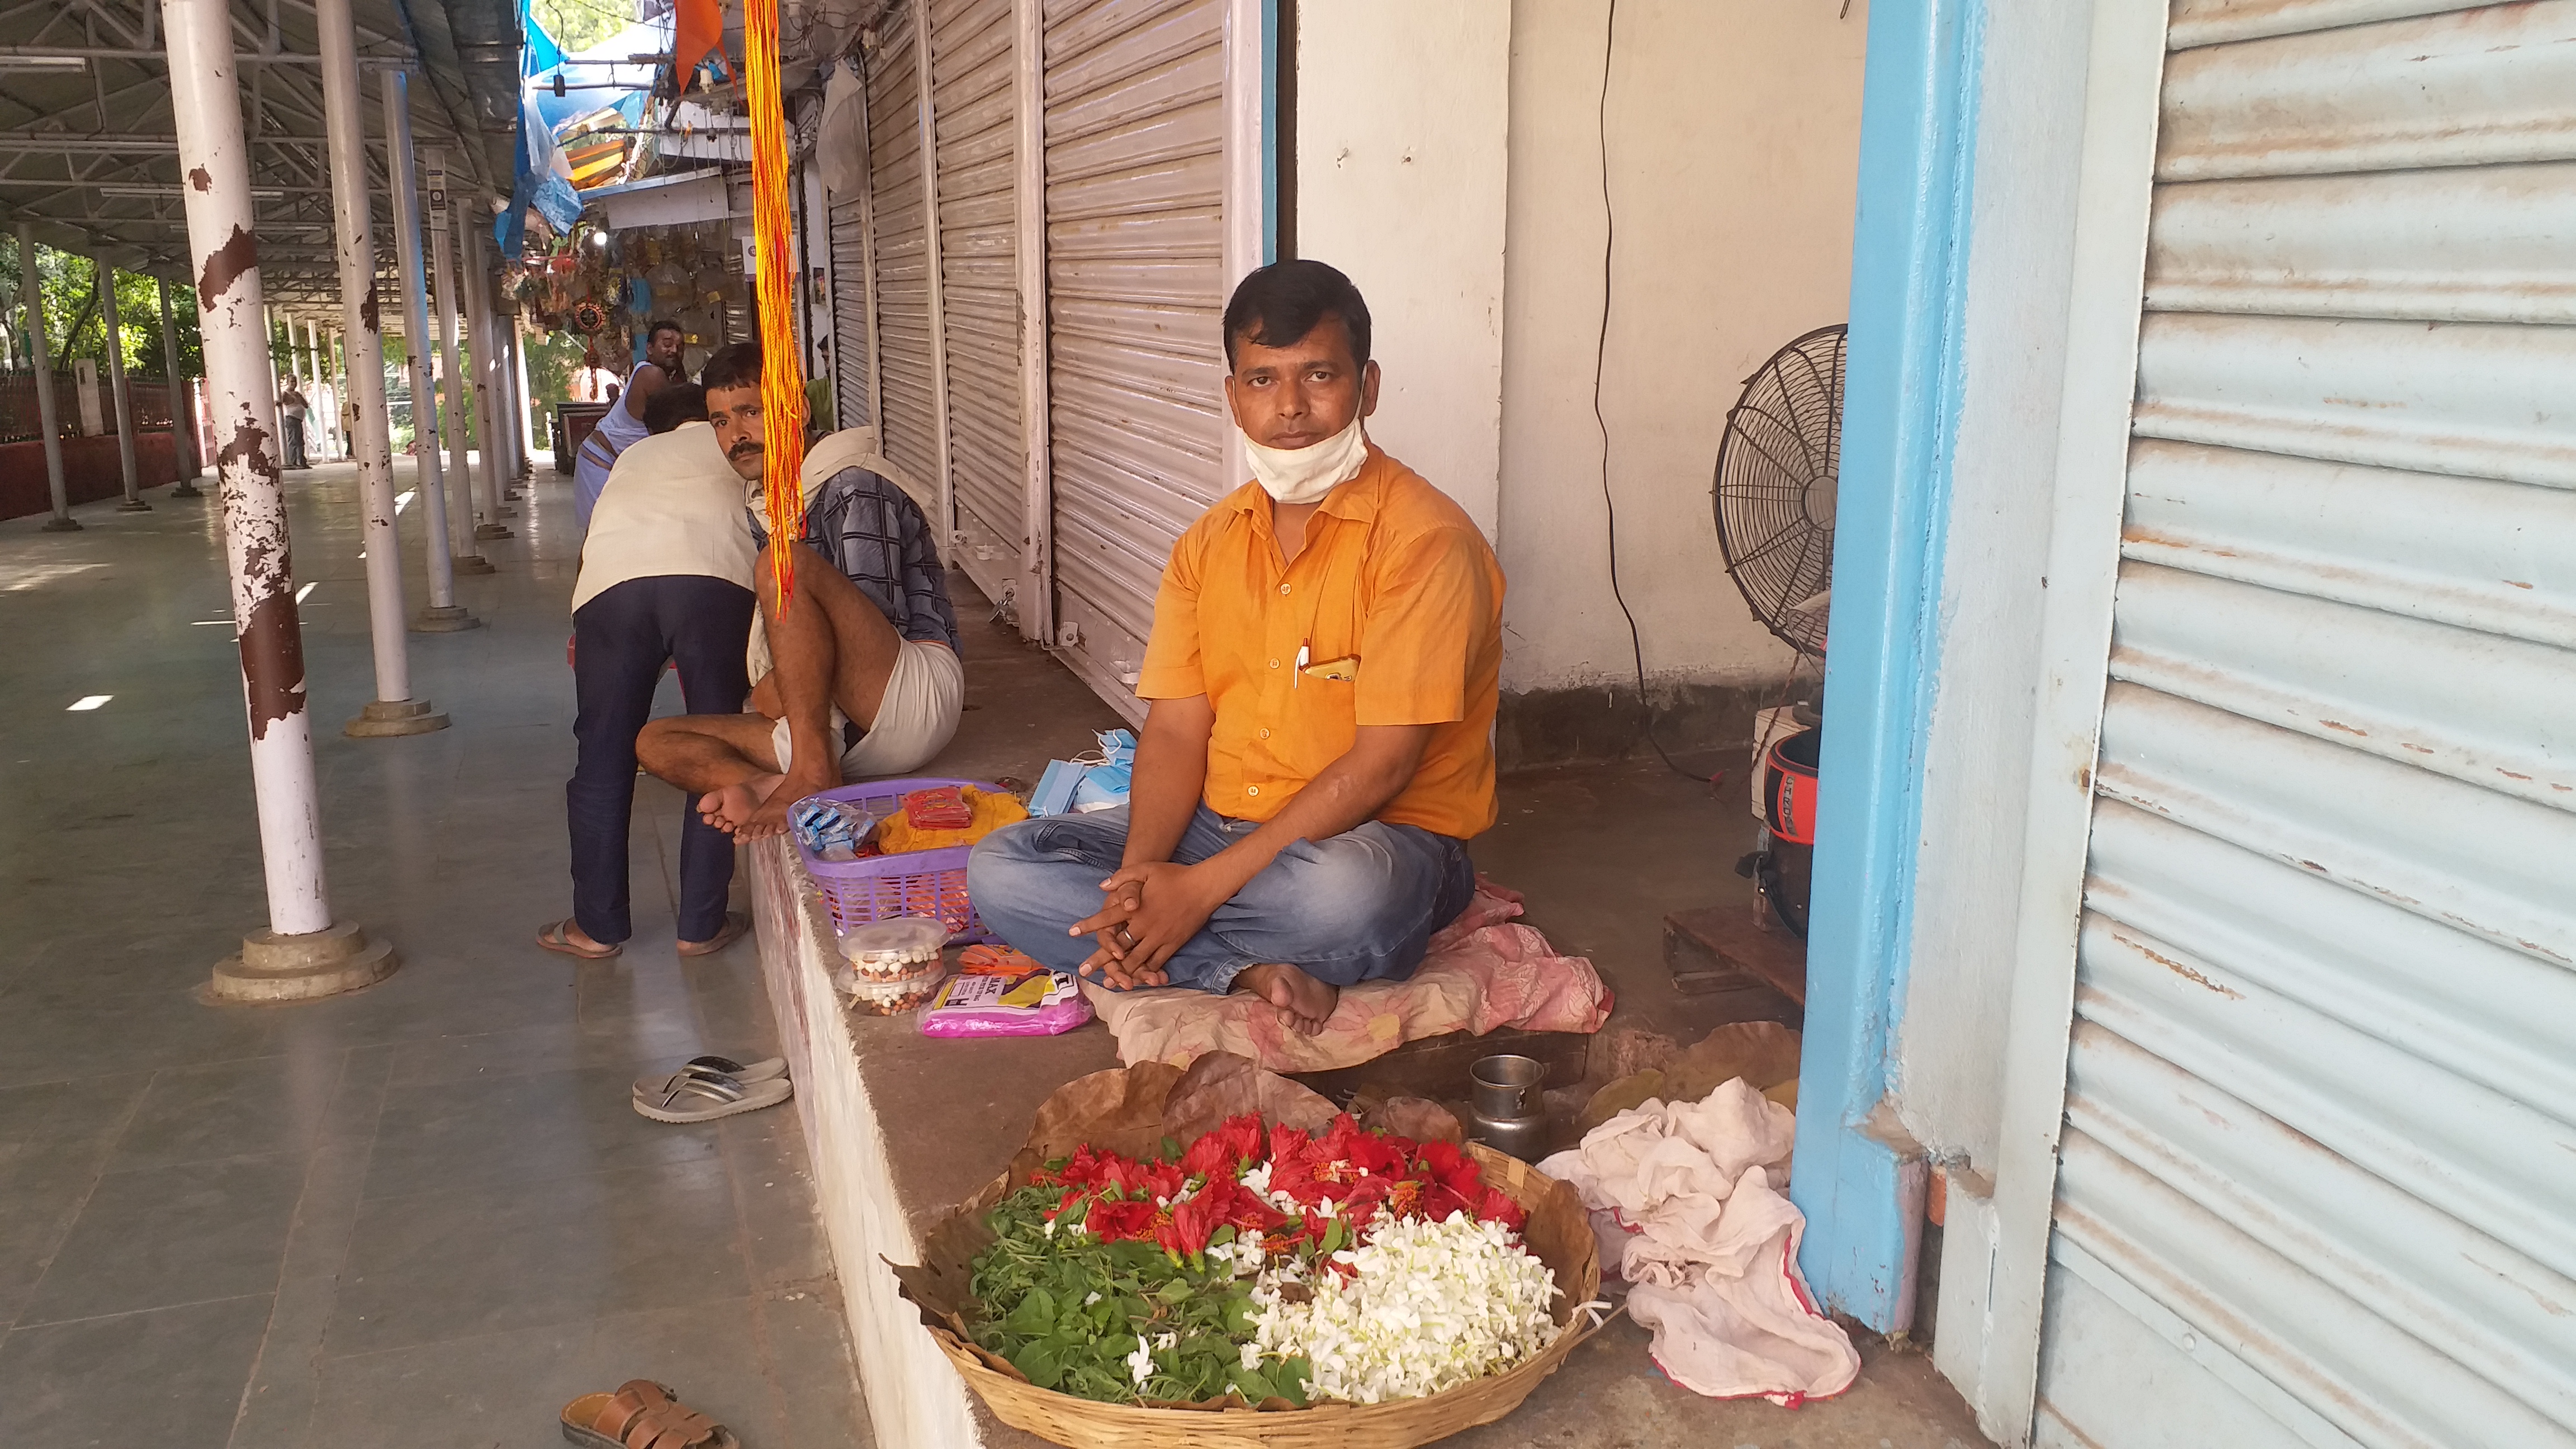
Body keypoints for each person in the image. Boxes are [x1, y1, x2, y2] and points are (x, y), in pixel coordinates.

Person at [966, 260, 1504, 1034]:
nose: (1291, 408)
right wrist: (1142, 880)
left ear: (1368, 387)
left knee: (1349, 900)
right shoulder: (1207, 545)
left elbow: (1384, 763)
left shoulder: (1424, 542)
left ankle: (1194, 940)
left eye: (1319, 375)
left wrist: (1201, 890)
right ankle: (1246, 970)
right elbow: (1179, 729)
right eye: (1262, 380)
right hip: (1219, 824)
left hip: (1375, 841)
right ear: (1232, 397)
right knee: (1002, 869)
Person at [636, 342, 964, 842]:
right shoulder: (768, 502)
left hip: (909, 696)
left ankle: (811, 777)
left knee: (780, 567)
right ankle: (772, 788)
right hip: (836, 728)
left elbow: (877, 627)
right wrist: (782, 687)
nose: (736, 436)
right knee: (656, 741)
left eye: (751, 412)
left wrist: (780, 686)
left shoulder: (854, 485)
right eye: (721, 421)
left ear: (799, 409)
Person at [538, 381, 762, 961]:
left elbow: (594, 547)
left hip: (611, 590)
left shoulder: (632, 457)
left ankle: (597, 928)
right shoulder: (734, 446)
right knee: (711, 744)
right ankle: (701, 926)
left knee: (603, 758)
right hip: (714, 584)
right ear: (706, 419)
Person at [572, 320, 689, 530]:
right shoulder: (651, 375)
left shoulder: (654, 373)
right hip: (600, 462)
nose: (674, 350)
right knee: (600, 536)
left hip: (612, 461)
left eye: (680, 347)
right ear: (650, 348)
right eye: (667, 344)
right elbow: (675, 425)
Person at [278, 377, 309, 470]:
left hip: (299, 419)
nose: (293, 384)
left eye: (295, 381)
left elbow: (306, 405)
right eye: (291, 381)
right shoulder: (286, 394)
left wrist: (299, 398)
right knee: (293, 440)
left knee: (300, 441)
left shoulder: (297, 394)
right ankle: (293, 462)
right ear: (288, 383)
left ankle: (302, 462)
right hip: (291, 418)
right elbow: (280, 402)